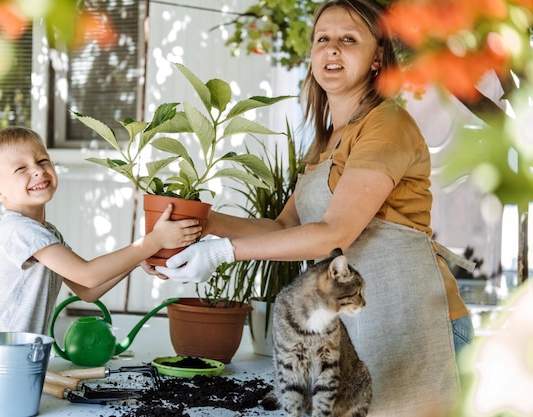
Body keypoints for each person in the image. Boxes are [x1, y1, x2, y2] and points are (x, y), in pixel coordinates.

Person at [154, 1, 474, 416]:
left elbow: (334, 232)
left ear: (378, 56)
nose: (332, 50)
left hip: (421, 328)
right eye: (323, 39)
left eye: (348, 39)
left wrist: (221, 254)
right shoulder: (324, 141)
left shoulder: (387, 124)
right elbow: (283, 226)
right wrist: (201, 226)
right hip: (360, 330)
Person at [0, 126, 201, 416]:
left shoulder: (45, 233)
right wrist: (152, 242)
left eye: (42, 161)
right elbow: (88, 275)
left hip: (15, 371)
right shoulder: (18, 230)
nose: (37, 171)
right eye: (21, 168)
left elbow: (87, 290)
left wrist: (138, 259)